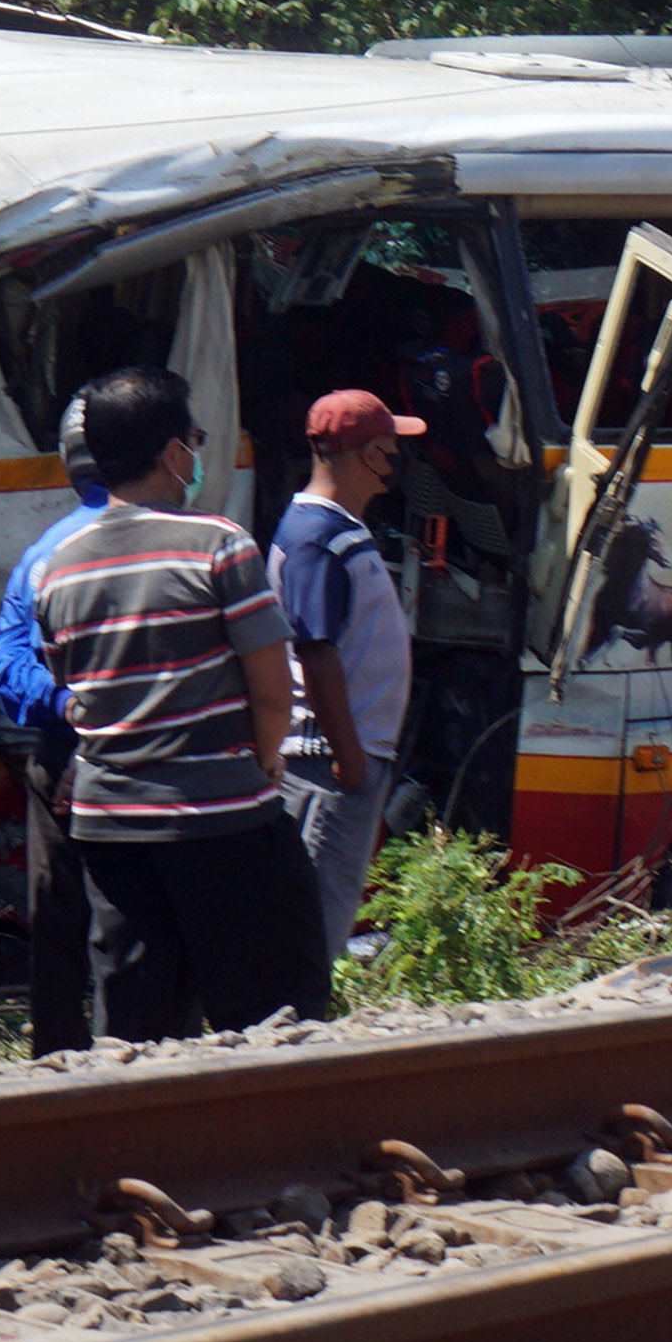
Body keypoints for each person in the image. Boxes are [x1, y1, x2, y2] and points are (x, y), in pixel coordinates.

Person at [29, 367, 328, 1040]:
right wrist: (264, 757)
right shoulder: (218, 546)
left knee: (141, 1028)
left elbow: (82, 694)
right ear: (173, 452)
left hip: (110, 827)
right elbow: (273, 689)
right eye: (193, 438)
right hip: (219, 816)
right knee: (279, 1013)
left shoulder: (57, 568)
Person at [267, 389, 417, 958]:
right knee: (314, 927)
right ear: (369, 454)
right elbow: (316, 650)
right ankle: (293, 1033)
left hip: (338, 757)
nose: (396, 462)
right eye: (389, 448)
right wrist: (348, 754)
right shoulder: (317, 536)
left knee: (320, 917)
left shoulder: (330, 530)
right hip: (326, 766)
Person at [0, 396, 105, 1055]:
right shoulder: (197, 536)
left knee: (59, 924)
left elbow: (7, 663)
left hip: (60, 757)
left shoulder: (43, 550)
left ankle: (57, 1061)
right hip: (156, 761)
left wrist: (62, 706)